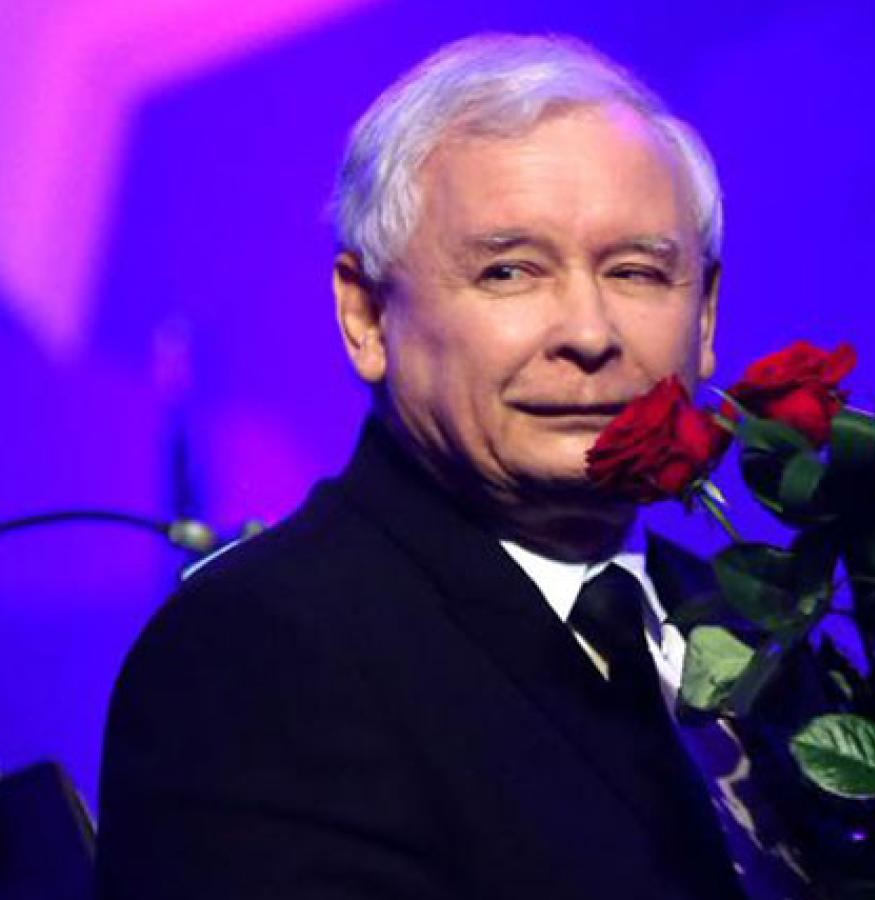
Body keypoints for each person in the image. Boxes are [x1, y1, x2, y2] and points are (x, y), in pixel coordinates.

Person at [95, 32, 804, 899]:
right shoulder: (256, 652)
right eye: (509, 272)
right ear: (365, 316)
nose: (590, 332)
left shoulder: (755, 627)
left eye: (636, 273)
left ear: (706, 318)